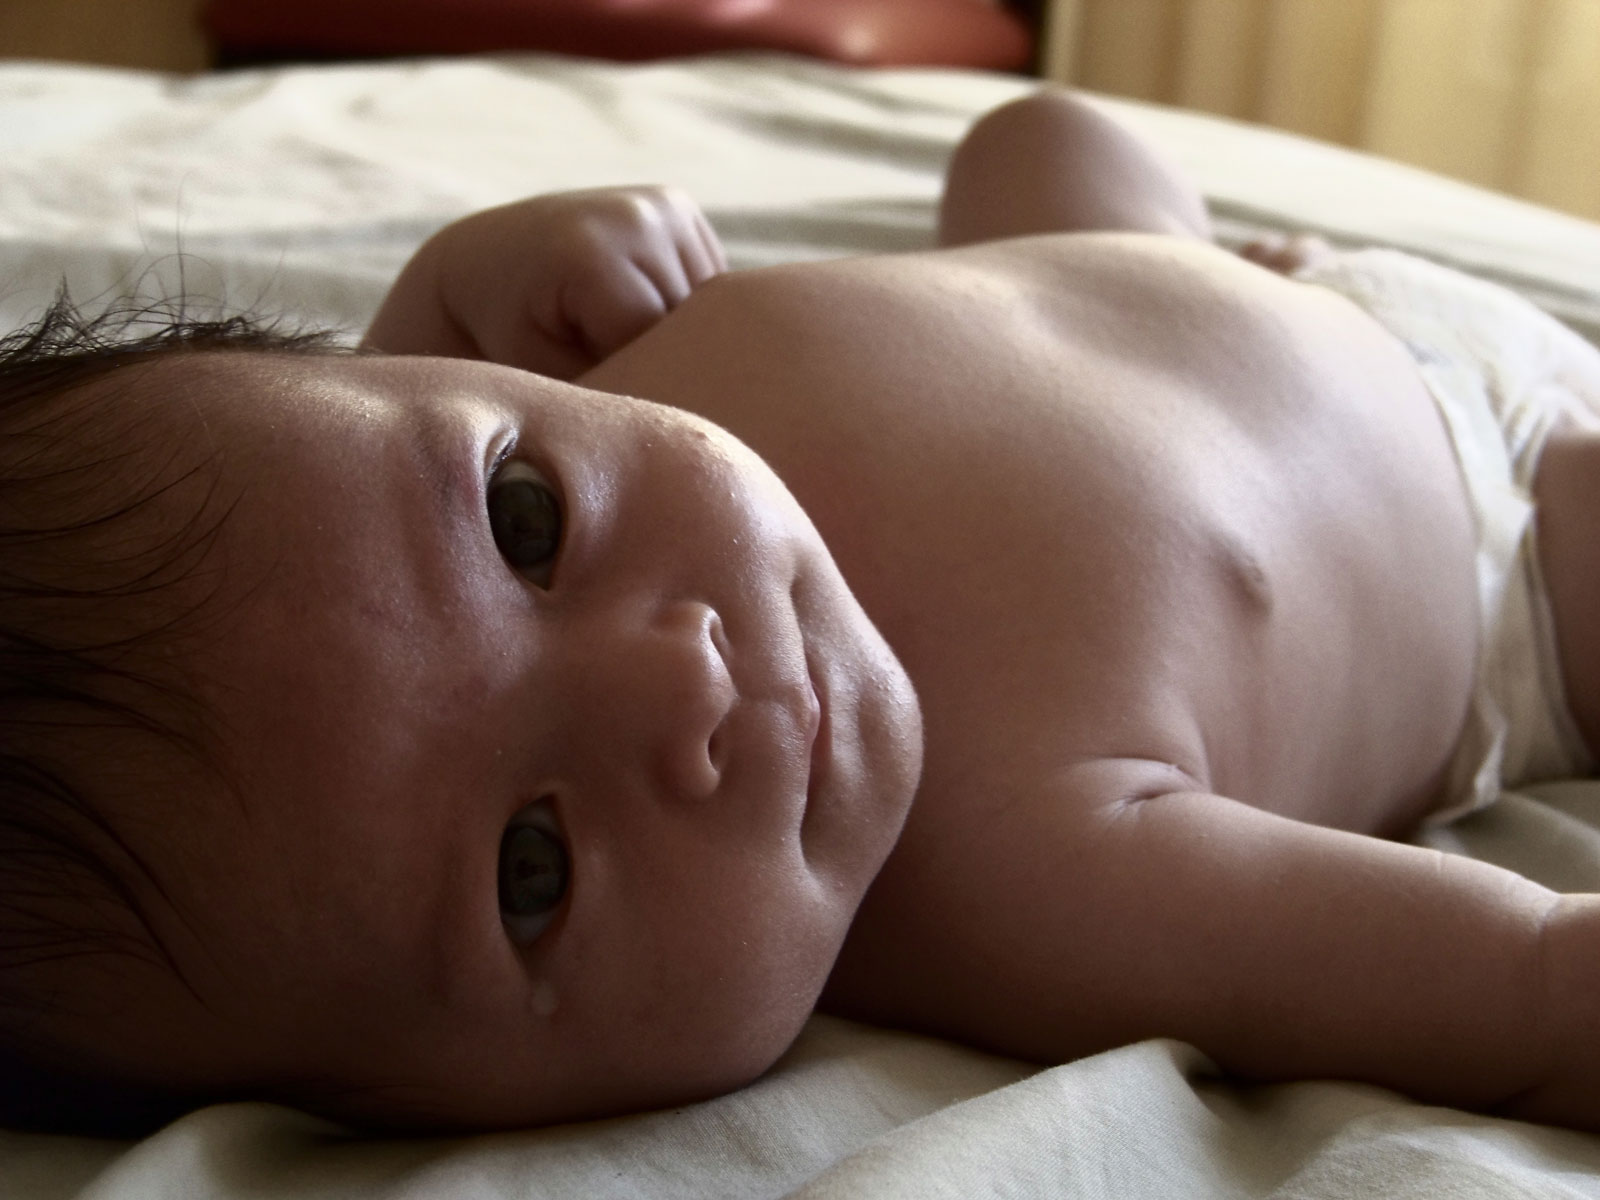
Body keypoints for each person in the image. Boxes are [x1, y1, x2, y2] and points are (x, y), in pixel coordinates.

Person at [3, 88, 1599, 1137]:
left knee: (1033, 131)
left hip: (1223, 293)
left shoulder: (527, 399)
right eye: (532, 872)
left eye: (524, 522)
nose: (679, 680)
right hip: (1508, 536)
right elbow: (1529, 989)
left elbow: (373, 477)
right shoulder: (1040, 893)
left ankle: (1197, 259)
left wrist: (470, 275)